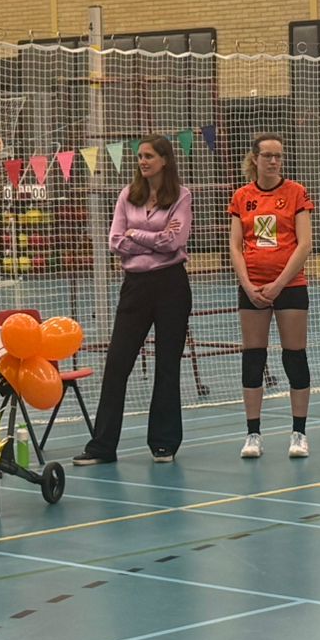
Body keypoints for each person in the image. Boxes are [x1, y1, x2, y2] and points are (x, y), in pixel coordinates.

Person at [76, 136, 193, 466]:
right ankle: (102, 445)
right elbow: (115, 241)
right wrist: (153, 239)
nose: (143, 161)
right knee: (117, 363)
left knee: (167, 365)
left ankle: (164, 443)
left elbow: (175, 241)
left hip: (171, 286)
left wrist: (137, 235)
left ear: (165, 160)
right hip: (135, 286)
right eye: (140, 156)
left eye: (149, 156)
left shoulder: (181, 196)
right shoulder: (127, 195)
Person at [228, 135, 316, 459]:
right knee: (253, 357)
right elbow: (235, 245)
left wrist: (279, 283)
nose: (274, 161)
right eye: (267, 155)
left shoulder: (296, 192)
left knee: (294, 356)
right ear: (255, 158)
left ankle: (299, 433)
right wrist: (248, 284)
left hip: (290, 286)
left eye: (278, 155)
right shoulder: (242, 196)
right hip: (253, 287)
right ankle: (253, 434)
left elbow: (304, 244)